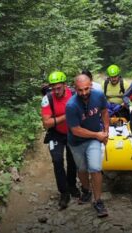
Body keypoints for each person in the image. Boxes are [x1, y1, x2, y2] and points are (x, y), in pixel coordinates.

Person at [66, 74, 110, 218]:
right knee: (82, 169)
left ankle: (98, 201)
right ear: (75, 88)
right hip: (76, 141)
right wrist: (97, 135)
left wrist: (106, 131)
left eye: (86, 89)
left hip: (93, 140)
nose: (84, 93)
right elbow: (75, 129)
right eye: (80, 90)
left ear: (91, 85)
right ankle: (86, 190)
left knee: (95, 168)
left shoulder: (98, 95)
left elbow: (104, 112)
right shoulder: (71, 105)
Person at [41, 71, 80, 210]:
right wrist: (66, 116)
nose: (56, 91)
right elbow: (46, 123)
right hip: (56, 133)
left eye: (59, 88)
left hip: (72, 131)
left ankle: (72, 185)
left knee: (72, 159)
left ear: (64, 85)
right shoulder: (47, 98)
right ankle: (64, 193)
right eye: (53, 88)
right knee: (57, 160)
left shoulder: (75, 94)